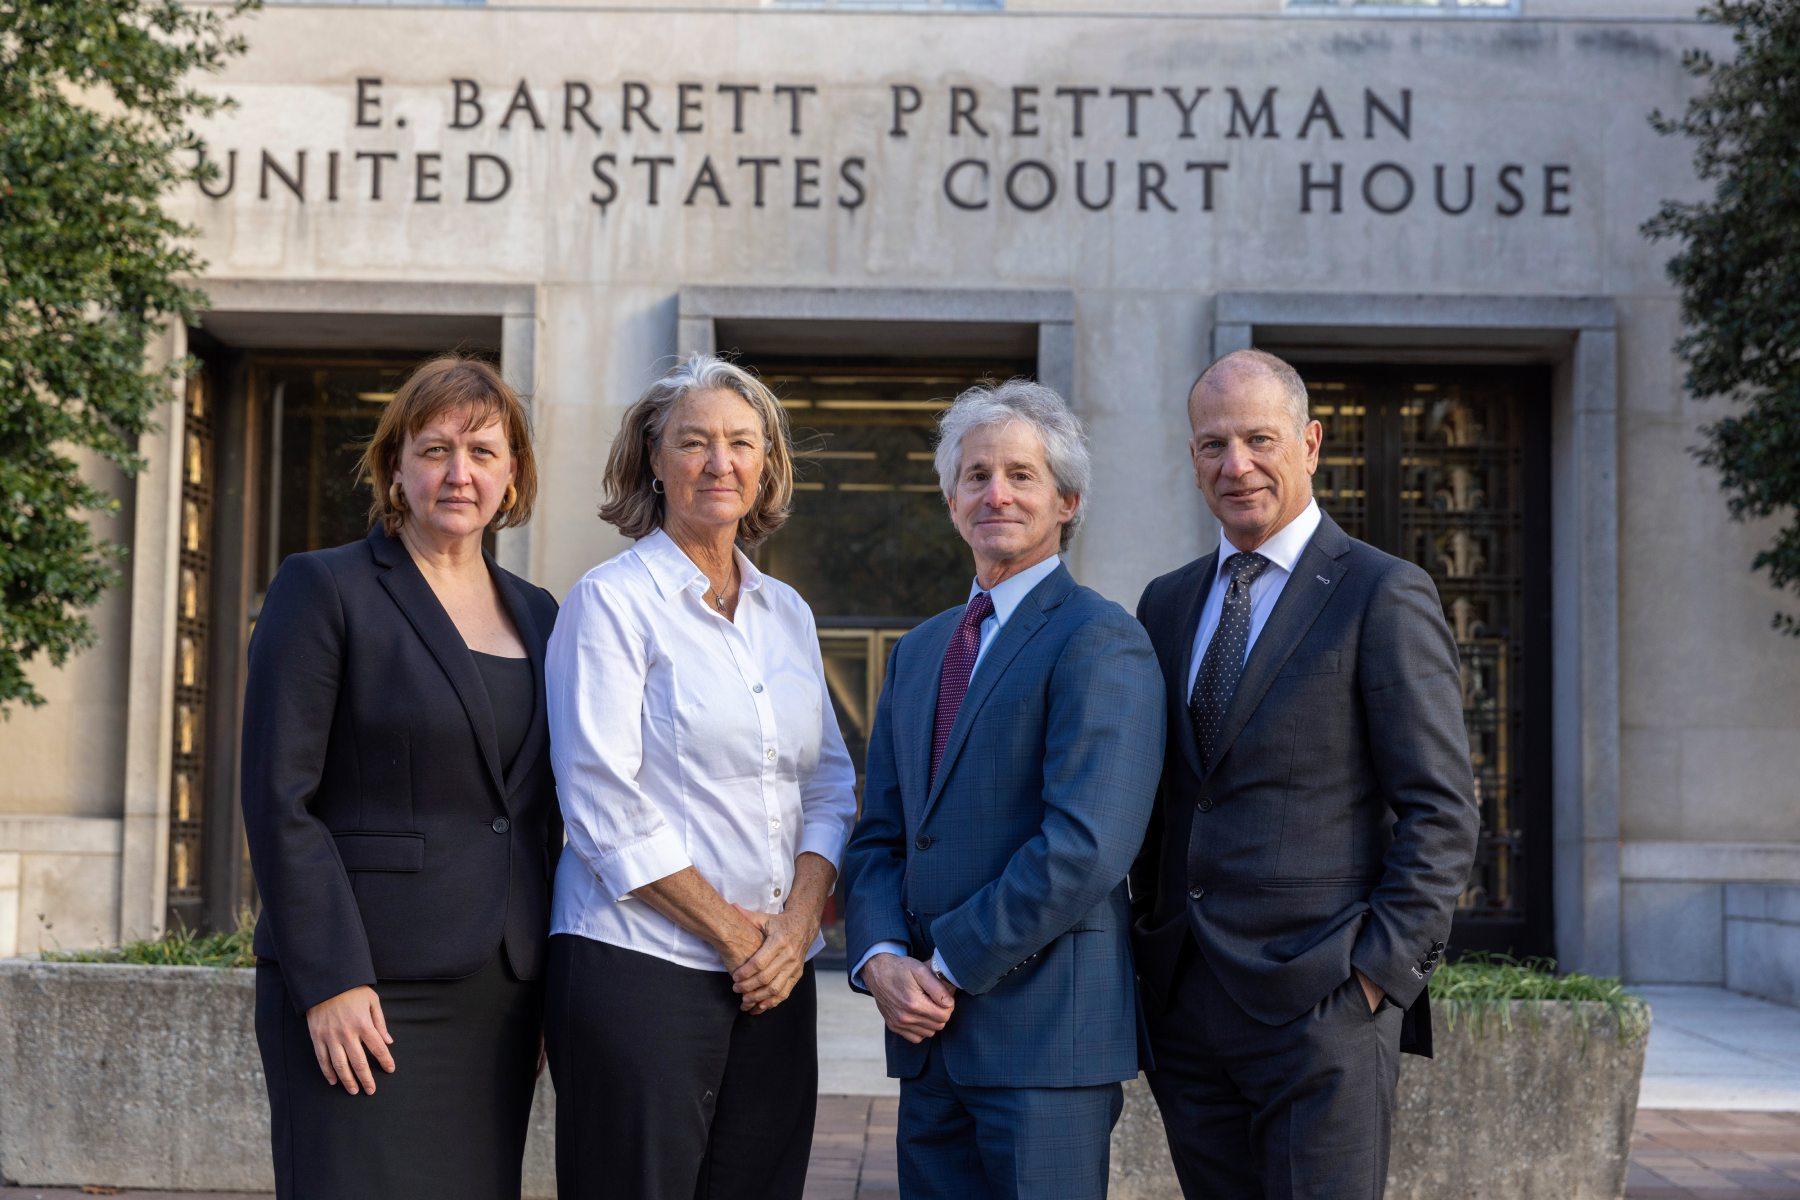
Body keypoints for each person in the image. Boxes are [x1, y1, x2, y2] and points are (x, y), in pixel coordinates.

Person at [1132, 349, 1482, 1200]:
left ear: (1312, 443)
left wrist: (1376, 978)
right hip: (1187, 1009)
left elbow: (1442, 807)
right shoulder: (1167, 603)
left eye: (1259, 439)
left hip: (1323, 1007)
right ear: (1192, 458)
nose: (1236, 464)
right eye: (1213, 445)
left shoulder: (1381, 593)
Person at [240, 356, 560, 1200]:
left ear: (513, 475)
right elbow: (280, 799)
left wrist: (544, 977)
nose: (460, 473)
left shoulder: (542, 614)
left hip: (498, 997)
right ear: (394, 467)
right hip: (363, 988)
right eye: (435, 449)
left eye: (484, 452)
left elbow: (534, 813)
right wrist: (331, 978)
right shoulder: (325, 588)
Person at [840, 380, 1165, 1200]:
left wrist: (944, 965)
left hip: (1045, 1041)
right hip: (926, 1041)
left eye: (1021, 475)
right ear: (951, 500)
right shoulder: (919, 652)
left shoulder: (1100, 638)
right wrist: (880, 959)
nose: (997, 493)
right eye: (977, 475)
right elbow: (881, 834)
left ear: (1067, 501)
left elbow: (1086, 846)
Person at [543, 353, 857, 1200]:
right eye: (695, 442)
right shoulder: (609, 602)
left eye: (741, 443)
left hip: (774, 978)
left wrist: (794, 929)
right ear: (654, 456)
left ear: (766, 464)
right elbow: (602, 804)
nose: (720, 462)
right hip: (638, 967)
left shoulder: (786, 613)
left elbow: (827, 784)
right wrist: (739, 935)